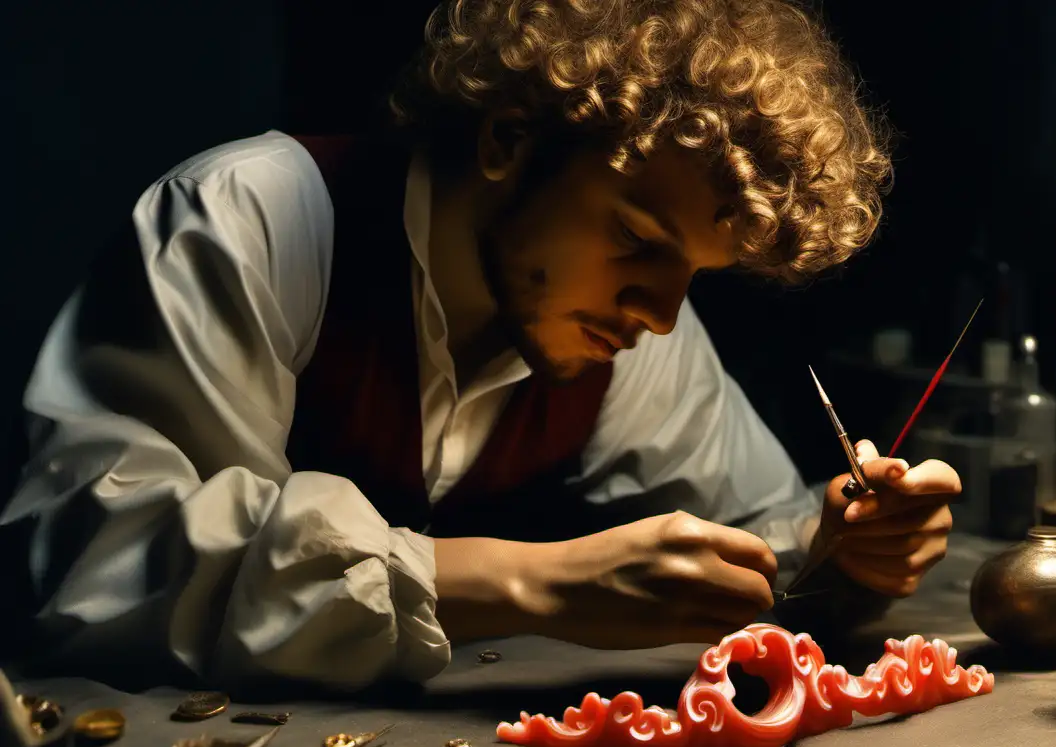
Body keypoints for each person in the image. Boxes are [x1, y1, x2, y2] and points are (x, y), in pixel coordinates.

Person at [2, 0, 961, 693]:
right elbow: (99, 559)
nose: (661, 315)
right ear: (509, 140)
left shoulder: (626, 331)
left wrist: (842, 548)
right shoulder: (247, 218)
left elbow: (765, 529)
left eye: (696, 275)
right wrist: (529, 583)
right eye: (636, 239)